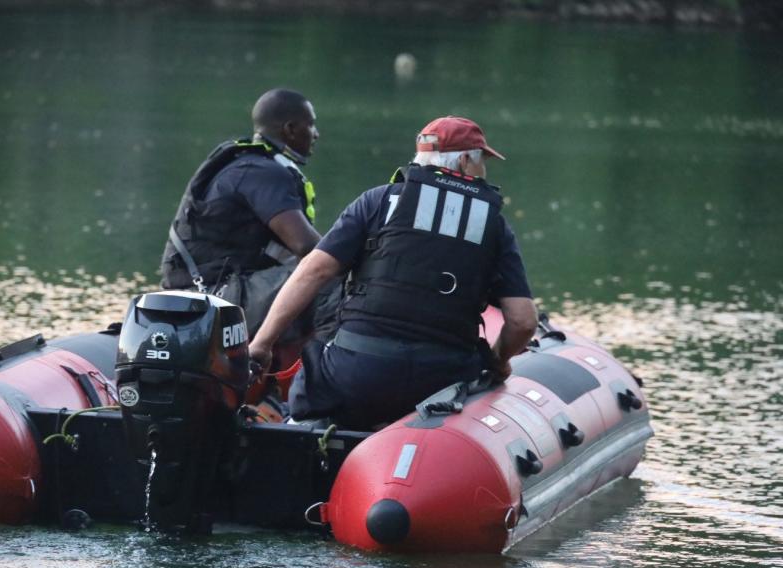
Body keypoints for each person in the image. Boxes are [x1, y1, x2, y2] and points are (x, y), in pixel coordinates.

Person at [248, 116, 538, 429]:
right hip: (442, 383)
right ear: (466, 160)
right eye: (483, 162)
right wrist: (498, 360)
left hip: (354, 375)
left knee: (307, 395)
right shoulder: (493, 224)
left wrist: (261, 344)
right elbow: (523, 321)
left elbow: (313, 271)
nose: (484, 171)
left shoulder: (377, 201)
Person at [159, 88, 329, 352]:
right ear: (291, 128)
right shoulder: (264, 172)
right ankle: (326, 373)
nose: (316, 134)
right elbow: (308, 248)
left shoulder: (246, 164)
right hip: (213, 298)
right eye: (312, 125)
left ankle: (282, 364)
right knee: (333, 280)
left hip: (203, 292)